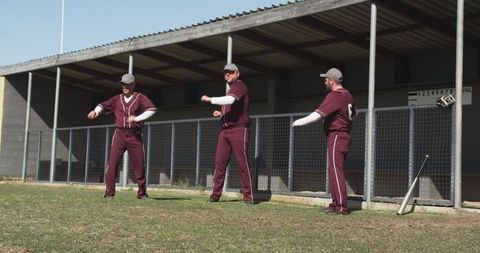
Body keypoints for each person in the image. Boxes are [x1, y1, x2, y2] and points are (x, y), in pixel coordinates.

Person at [292, 68, 356, 215]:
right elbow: (354, 113)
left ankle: (341, 206)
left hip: (337, 135)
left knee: (336, 171)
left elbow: (318, 114)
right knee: (333, 171)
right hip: (344, 135)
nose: (324, 81)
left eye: (326, 79)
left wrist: (299, 122)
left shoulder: (335, 95)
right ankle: (335, 204)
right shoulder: (348, 95)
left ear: (332, 81)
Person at [87, 73, 157, 199]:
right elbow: (102, 105)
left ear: (133, 85)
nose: (124, 86)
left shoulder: (140, 98)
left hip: (134, 135)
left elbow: (152, 109)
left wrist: (136, 118)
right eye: (123, 84)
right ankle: (109, 193)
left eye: (127, 84)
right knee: (112, 164)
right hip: (119, 134)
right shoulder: (116, 99)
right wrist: (95, 111)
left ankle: (142, 193)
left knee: (139, 165)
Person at [200, 63, 254, 204]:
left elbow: (230, 100)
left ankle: (248, 197)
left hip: (239, 129)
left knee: (243, 164)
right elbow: (231, 105)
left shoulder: (240, 85)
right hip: (225, 131)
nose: (228, 74)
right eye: (225, 73)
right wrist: (221, 113)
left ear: (237, 73)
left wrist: (210, 99)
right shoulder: (230, 89)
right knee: (219, 163)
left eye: (230, 72)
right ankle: (215, 195)